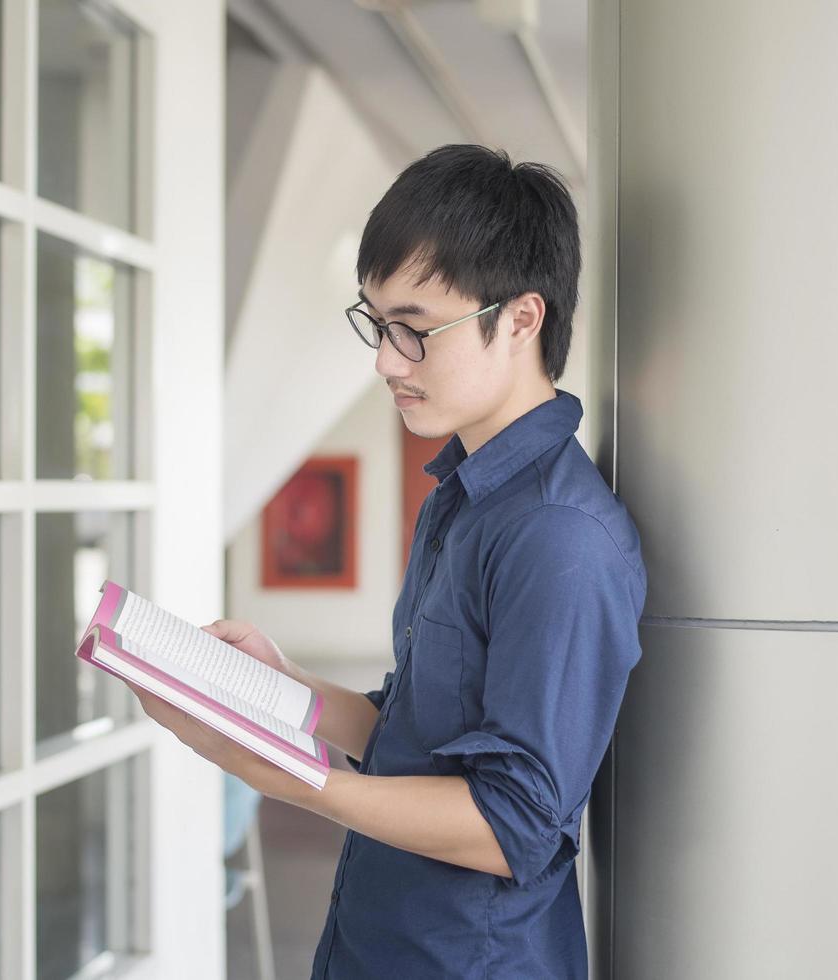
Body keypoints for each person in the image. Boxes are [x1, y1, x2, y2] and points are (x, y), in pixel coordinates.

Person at [124, 144, 647, 978]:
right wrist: (284, 687)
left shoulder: (559, 538)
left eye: (415, 328)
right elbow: (420, 737)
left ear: (521, 318)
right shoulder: (464, 497)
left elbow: (512, 827)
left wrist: (290, 780)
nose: (385, 360)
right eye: (375, 323)